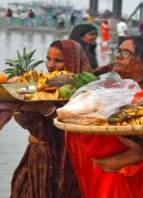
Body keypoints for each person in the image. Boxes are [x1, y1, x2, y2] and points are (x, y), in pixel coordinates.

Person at [66, 36, 143, 198]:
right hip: (108, 172)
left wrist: (111, 164)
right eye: (118, 51)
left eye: (126, 53)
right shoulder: (116, 91)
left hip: (130, 176)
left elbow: (141, 147)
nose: (118, 56)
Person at [10, 40, 92, 198]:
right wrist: (18, 107)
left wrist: (49, 109)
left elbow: (74, 128)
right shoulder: (42, 85)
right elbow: (30, 126)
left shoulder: (86, 92)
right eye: (48, 59)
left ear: (73, 62)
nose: (50, 65)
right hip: (38, 157)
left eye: (58, 61)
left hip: (67, 161)